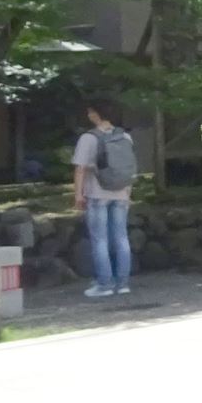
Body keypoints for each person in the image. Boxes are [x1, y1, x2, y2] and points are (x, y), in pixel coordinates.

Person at [71, 99, 137, 299]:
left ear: (96, 114)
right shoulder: (125, 137)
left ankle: (104, 284)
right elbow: (130, 169)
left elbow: (80, 168)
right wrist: (128, 193)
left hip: (97, 193)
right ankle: (123, 283)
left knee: (100, 240)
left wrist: (78, 195)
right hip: (121, 194)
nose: (89, 115)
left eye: (91, 111)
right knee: (121, 238)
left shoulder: (89, 138)